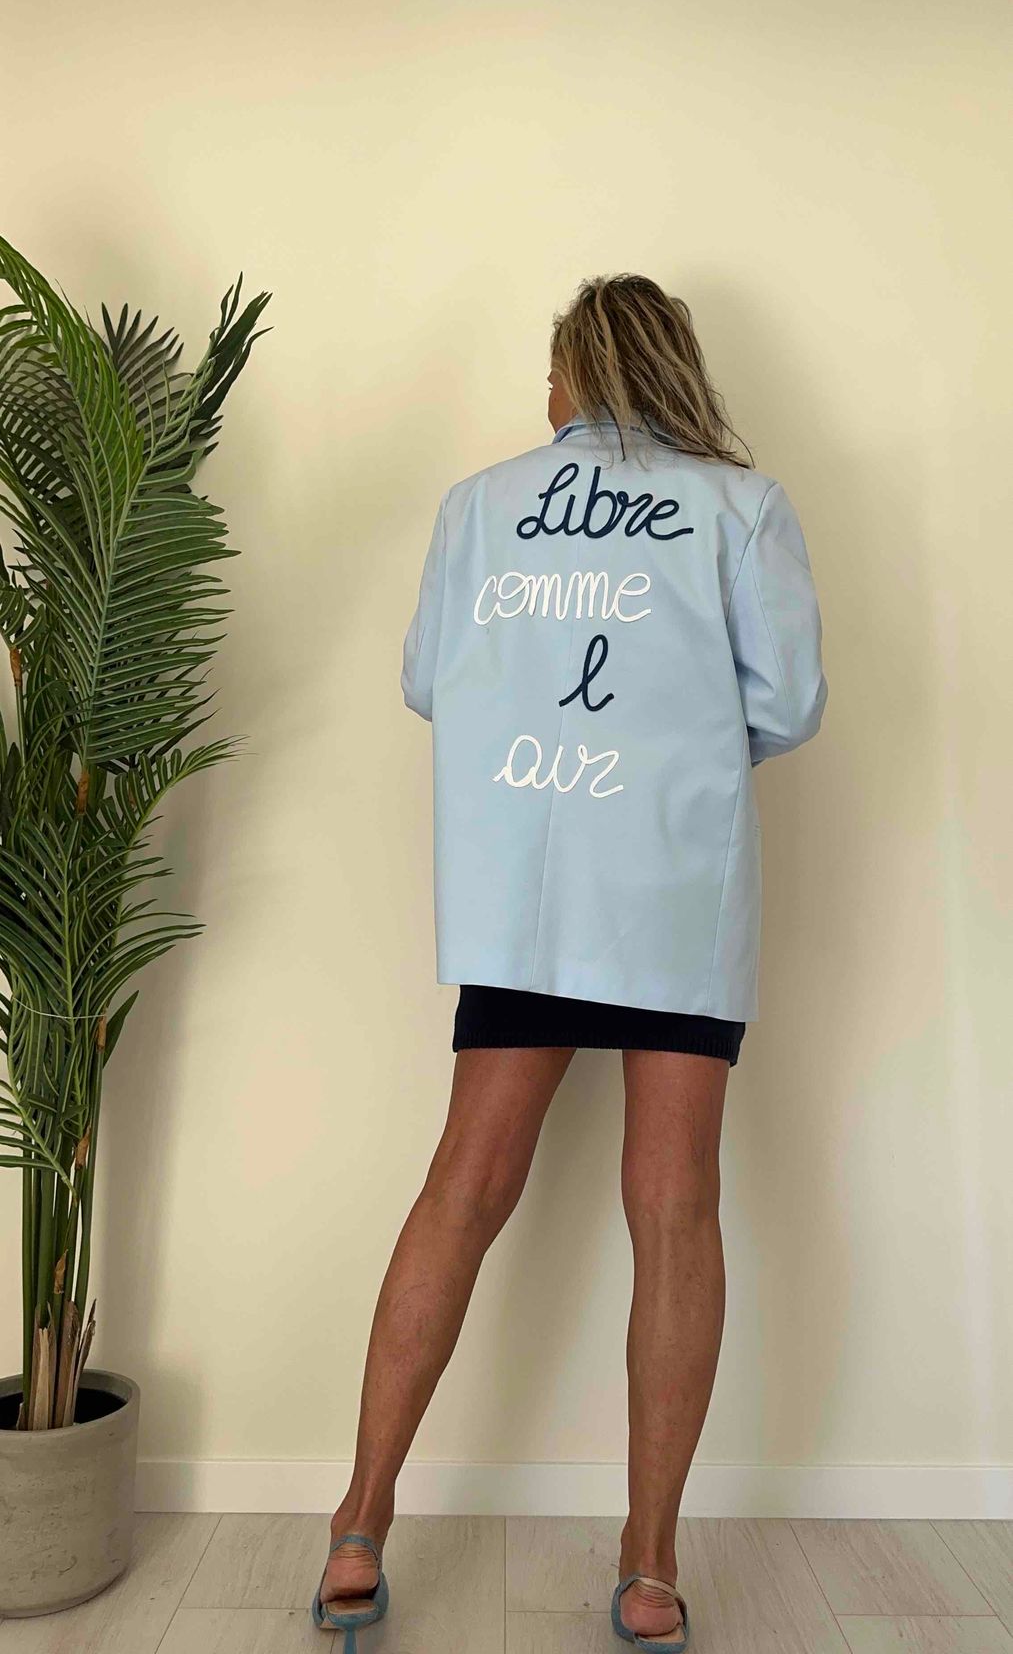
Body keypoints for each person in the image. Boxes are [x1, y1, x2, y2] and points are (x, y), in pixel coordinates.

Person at [312, 274, 827, 1649]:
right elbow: (787, 703)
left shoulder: (479, 506)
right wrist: (670, 750)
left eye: (549, 376)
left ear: (579, 373)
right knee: (675, 1208)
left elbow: (429, 681)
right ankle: (649, 1563)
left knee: (461, 1188)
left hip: (529, 887)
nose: (540, 401)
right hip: (670, 881)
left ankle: (358, 1524)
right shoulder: (739, 507)